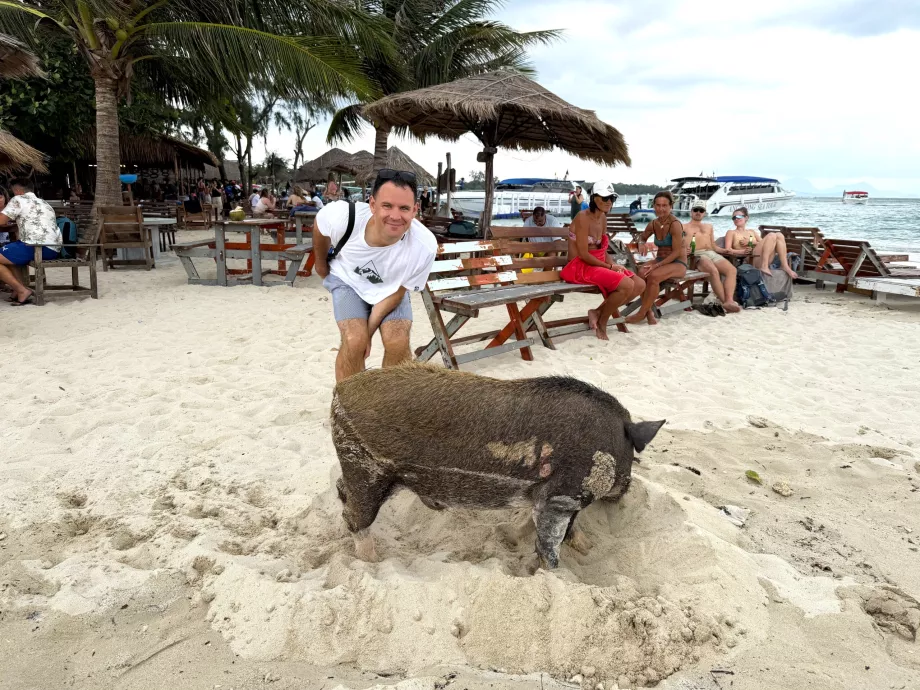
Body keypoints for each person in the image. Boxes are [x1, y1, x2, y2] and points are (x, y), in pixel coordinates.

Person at [313, 169, 437, 382]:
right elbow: (320, 225)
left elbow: (398, 292)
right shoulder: (342, 216)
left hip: (390, 290)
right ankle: (347, 406)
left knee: (397, 340)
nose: (395, 216)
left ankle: (388, 405)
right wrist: (320, 263)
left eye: (404, 208)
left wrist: (369, 332)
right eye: (387, 206)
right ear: (372, 204)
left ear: (415, 210)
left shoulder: (424, 246)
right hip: (347, 280)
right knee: (354, 340)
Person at [560, 181, 645, 340]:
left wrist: (613, 264)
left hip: (597, 263)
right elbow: (584, 255)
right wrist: (609, 267)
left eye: (612, 198)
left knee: (639, 284)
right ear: (593, 198)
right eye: (604, 198)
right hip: (579, 265)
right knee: (626, 284)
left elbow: (603, 249)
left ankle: (598, 312)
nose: (609, 202)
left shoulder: (603, 218)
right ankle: (602, 322)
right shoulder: (582, 217)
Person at [627, 191, 687, 325]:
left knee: (653, 276)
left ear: (671, 206)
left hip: (677, 262)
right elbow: (641, 238)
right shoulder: (653, 223)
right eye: (658, 205)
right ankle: (649, 313)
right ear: (653, 206)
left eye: (665, 205)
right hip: (660, 260)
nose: (661, 209)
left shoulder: (675, 225)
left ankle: (641, 313)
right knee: (641, 273)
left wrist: (657, 265)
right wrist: (641, 244)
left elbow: (677, 252)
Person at [0, 178, 63, 305]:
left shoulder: (18, 199)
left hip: (36, 246)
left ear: (17, 190)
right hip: (53, 248)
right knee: (8, 255)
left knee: (5, 254)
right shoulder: (44, 203)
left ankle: (22, 290)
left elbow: (1, 221)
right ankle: (17, 290)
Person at [683, 203, 741, 312]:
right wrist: (682, 250)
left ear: (704, 213)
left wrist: (725, 250)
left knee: (732, 270)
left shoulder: (709, 226)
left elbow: (713, 246)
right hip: (696, 255)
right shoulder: (683, 227)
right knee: (713, 271)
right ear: (691, 212)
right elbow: (675, 243)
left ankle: (729, 300)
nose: (698, 212)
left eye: (701, 210)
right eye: (696, 210)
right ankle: (725, 303)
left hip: (711, 253)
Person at [724, 207, 797, 279]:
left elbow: (766, 243)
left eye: (738, 216)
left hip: (762, 256)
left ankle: (784, 265)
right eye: (733, 218)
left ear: (746, 218)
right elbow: (727, 250)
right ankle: (764, 266)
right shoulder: (731, 232)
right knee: (771, 235)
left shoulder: (752, 232)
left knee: (779, 235)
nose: (736, 219)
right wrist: (742, 251)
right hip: (750, 259)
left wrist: (752, 242)